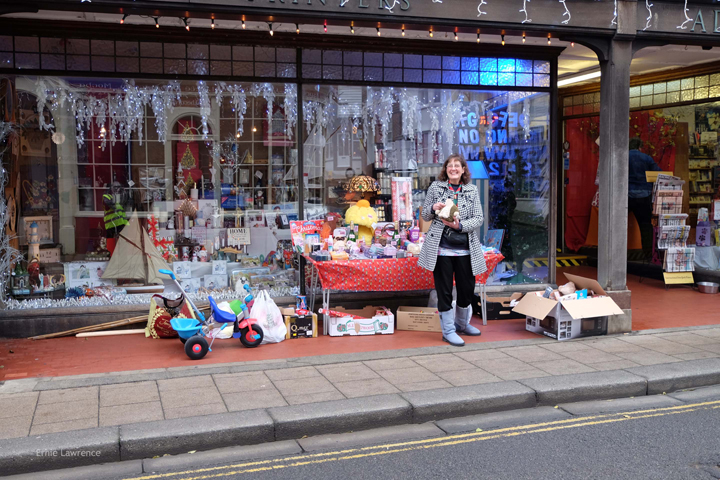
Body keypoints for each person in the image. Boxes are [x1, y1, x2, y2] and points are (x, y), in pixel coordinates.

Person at [419, 154, 487, 347]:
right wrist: (433, 207)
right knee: (445, 291)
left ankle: (462, 324)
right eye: (450, 166)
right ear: (446, 169)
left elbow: (478, 218)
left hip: (466, 249)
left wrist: (459, 225)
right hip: (441, 249)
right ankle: (448, 331)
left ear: (463, 169)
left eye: (457, 165)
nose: (454, 168)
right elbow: (425, 214)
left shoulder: (472, 190)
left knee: (466, 290)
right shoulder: (436, 187)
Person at [628, 137, 661, 261]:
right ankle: (648, 256)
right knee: (646, 227)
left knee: (618, 225)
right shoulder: (646, 158)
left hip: (626, 196)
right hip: (643, 196)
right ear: (640, 147)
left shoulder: (623, 156)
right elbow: (659, 174)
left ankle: (615, 255)